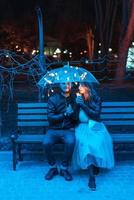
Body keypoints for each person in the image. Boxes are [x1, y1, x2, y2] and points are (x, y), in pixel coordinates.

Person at [72, 83, 114, 191]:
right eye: (79, 86)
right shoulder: (77, 97)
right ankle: (91, 177)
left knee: (97, 141)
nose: (79, 88)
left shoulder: (96, 98)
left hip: (95, 126)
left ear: (88, 87)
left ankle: (95, 165)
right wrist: (76, 105)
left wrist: (82, 105)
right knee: (86, 144)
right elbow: (73, 117)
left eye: (81, 86)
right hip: (81, 127)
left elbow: (96, 115)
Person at [43, 82, 79, 181]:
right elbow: (50, 118)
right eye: (63, 83)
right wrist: (65, 114)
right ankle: (53, 168)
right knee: (46, 143)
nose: (66, 85)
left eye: (68, 83)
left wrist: (75, 109)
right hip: (53, 129)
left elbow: (76, 119)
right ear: (60, 85)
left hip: (68, 129)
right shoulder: (53, 99)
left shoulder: (75, 99)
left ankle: (64, 168)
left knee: (71, 142)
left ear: (71, 86)